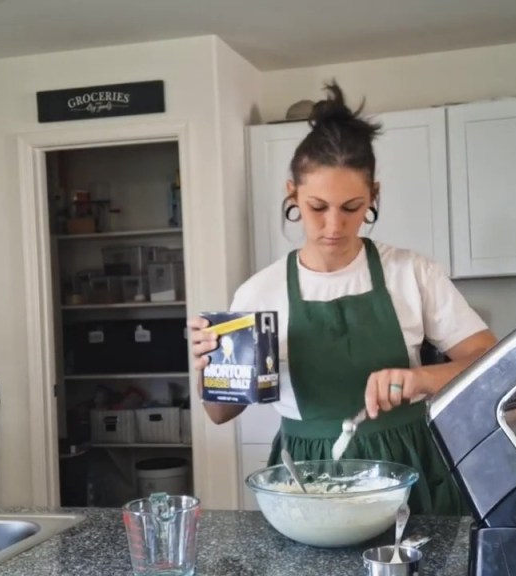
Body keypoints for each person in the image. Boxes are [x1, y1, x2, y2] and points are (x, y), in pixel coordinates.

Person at [188, 81, 497, 515]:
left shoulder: (411, 273)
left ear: (374, 195)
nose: (334, 225)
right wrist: (208, 367)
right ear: (292, 193)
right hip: (305, 476)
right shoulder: (260, 291)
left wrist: (423, 379)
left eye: (351, 207)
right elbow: (220, 415)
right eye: (318, 207)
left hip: (408, 465)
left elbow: (492, 363)